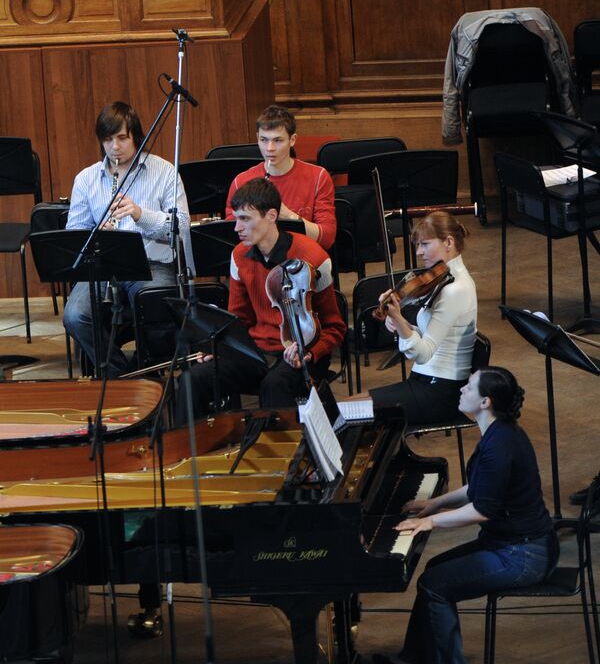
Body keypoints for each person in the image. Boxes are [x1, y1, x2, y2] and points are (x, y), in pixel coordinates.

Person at [381, 367, 557, 664]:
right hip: (514, 545)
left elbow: (481, 510)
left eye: (469, 386)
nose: (462, 389)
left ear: (485, 401)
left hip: (522, 555)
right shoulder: (498, 433)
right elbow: (478, 489)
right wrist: (433, 504)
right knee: (435, 572)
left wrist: (429, 522)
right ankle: (417, 660)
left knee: (435, 586)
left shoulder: (499, 445)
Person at [179, 178, 344, 416]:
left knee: (275, 385)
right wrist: (220, 348)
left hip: (303, 352)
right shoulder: (239, 256)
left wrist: (310, 353)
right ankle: (187, 449)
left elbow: (335, 327)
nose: (237, 228)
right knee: (192, 378)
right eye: (236, 219)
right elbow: (239, 320)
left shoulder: (314, 258)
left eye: (245, 219)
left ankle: (280, 450)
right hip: (257, 352)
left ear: (271, 216)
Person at [63, 101, 193, 376]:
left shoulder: (165, 172)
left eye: (122, 138)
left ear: (136, 136)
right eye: (108, 139)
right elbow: (74, 234)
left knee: (155, 302)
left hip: (150, 263)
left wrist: (139, 214)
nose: (115, 147)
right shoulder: (86, 179)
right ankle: (122, 376)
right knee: (75, 316)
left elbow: (181, 226)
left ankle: (152, 372)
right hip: (101, 268)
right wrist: (99, 235)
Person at [357, 212, 477, 425]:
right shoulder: (443, 278)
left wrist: (400, 320)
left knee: (350, 412)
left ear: (448, 242)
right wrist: (401, 323)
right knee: (347, 408)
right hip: (424, 381)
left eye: (425, 244)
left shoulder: (455, 289)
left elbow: (423, 354)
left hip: (439, 391)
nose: (419, 253)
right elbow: (429, 333)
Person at [223, 105, 336, 250]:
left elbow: (327, 238)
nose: (269, 148)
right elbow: (233, 239)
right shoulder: (241, 181)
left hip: (303, 260)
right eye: (264, 140)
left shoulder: (319, 176)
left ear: (293, 139)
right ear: (257, 138)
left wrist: (289, 216)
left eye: (278, 140)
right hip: (258, 262)